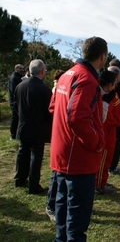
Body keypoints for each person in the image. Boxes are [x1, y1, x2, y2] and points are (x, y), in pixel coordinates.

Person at [49, 36, 107, 242]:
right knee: (76, 220)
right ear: (103, 56)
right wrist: (98, 142)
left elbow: (54, 107)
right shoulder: (86, 80)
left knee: (63, 215)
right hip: (79, 160)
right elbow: (76, 117)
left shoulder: (66, 75)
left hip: (63, 155)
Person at [14, 59, 52, 194]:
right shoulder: (44, 90)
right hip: (38, 128)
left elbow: (16, 106)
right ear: (42, 71)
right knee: (36, 156)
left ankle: (19, 178)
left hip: (23, 125)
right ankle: (34, 185)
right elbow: (49, 111)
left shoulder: (20, 86)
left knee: (22, 153)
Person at [95, 67, 120, 194]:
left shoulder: (110, 94)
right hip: (107, 131)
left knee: (106, 158)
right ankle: (99, 184)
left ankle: (102, 179)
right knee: (104, 159)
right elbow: (106, 116)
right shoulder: (106, 96)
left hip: (109, 130)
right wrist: (117, 122)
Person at [46, 69, 66, 223]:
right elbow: (52, 108)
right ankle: (51, 205)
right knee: (56, 174)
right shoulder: (58, 90)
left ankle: (61, 204)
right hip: (59, 134)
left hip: (65, 136)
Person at [8, 64, 25, 140]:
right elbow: (13, 90)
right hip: (14, 101)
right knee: (15, 117)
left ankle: (16, 134)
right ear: (16, 69)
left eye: (22, 68)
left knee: (18, 117)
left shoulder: (19, 77)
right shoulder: (14, 78)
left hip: (18, 100)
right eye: (20, 68)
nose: (22, 70)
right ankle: (13, 134)